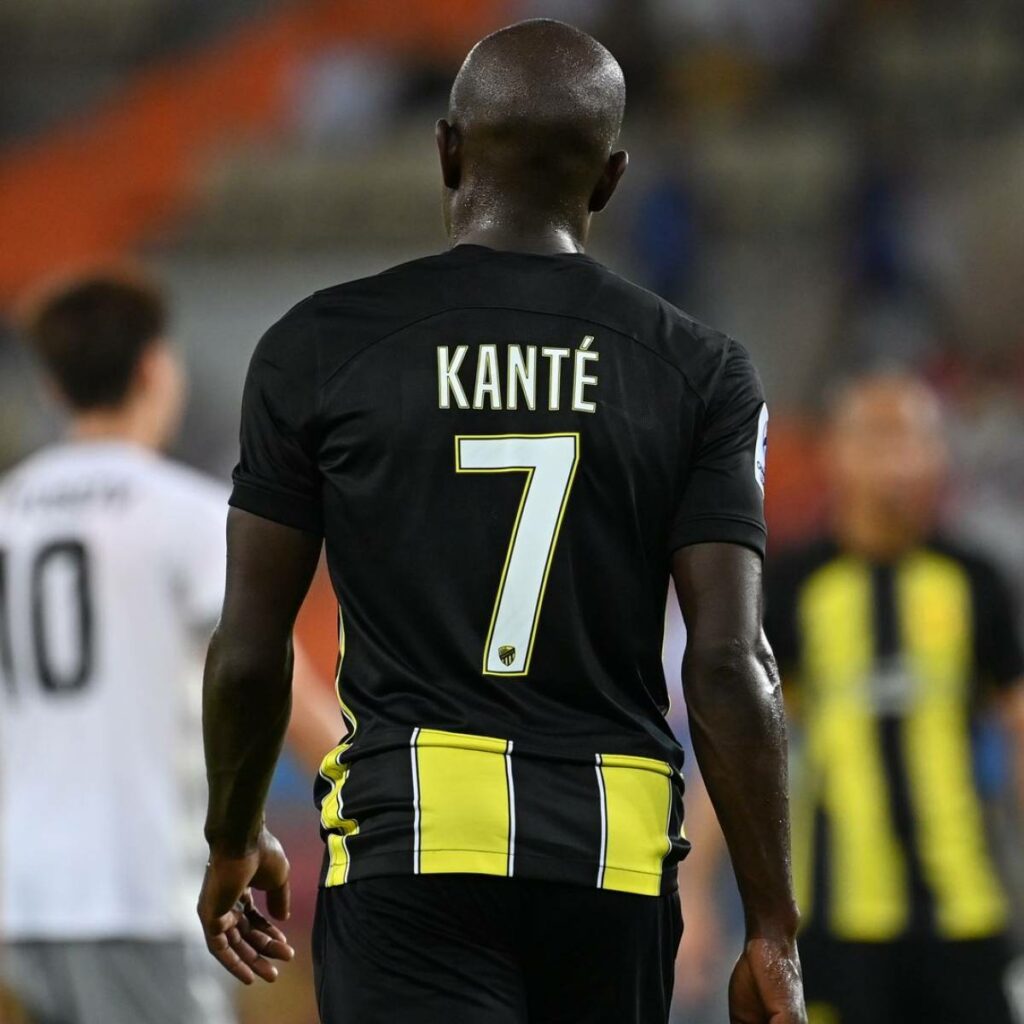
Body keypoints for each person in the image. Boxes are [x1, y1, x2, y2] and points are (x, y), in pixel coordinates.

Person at [197, 19, 806, 1024]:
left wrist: (233, 835)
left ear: (446, 151)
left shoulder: (318, 346)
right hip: (609, 855)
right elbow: (730, 662)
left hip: (408, 844)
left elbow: (251, 645)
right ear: (609, 179)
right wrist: (772, 924)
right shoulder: (701, 371)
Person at [0, 271, 339, 1024]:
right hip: (137, 887)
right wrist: (383, 790)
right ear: (156, 368)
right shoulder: (189, 517)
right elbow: (269, 679)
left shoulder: (7, 514)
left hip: (26, 896)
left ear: (53, 388)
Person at [680, 372, 1024, 1024]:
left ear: (939, 455)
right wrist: (694, 892)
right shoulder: (794, 586)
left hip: (967, 914)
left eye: (914, 438)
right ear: (836, 453)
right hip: (835, 926)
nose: (897, 459)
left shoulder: (974, 582)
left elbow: (1017, 731)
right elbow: (743, 744)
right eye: (877, 438)